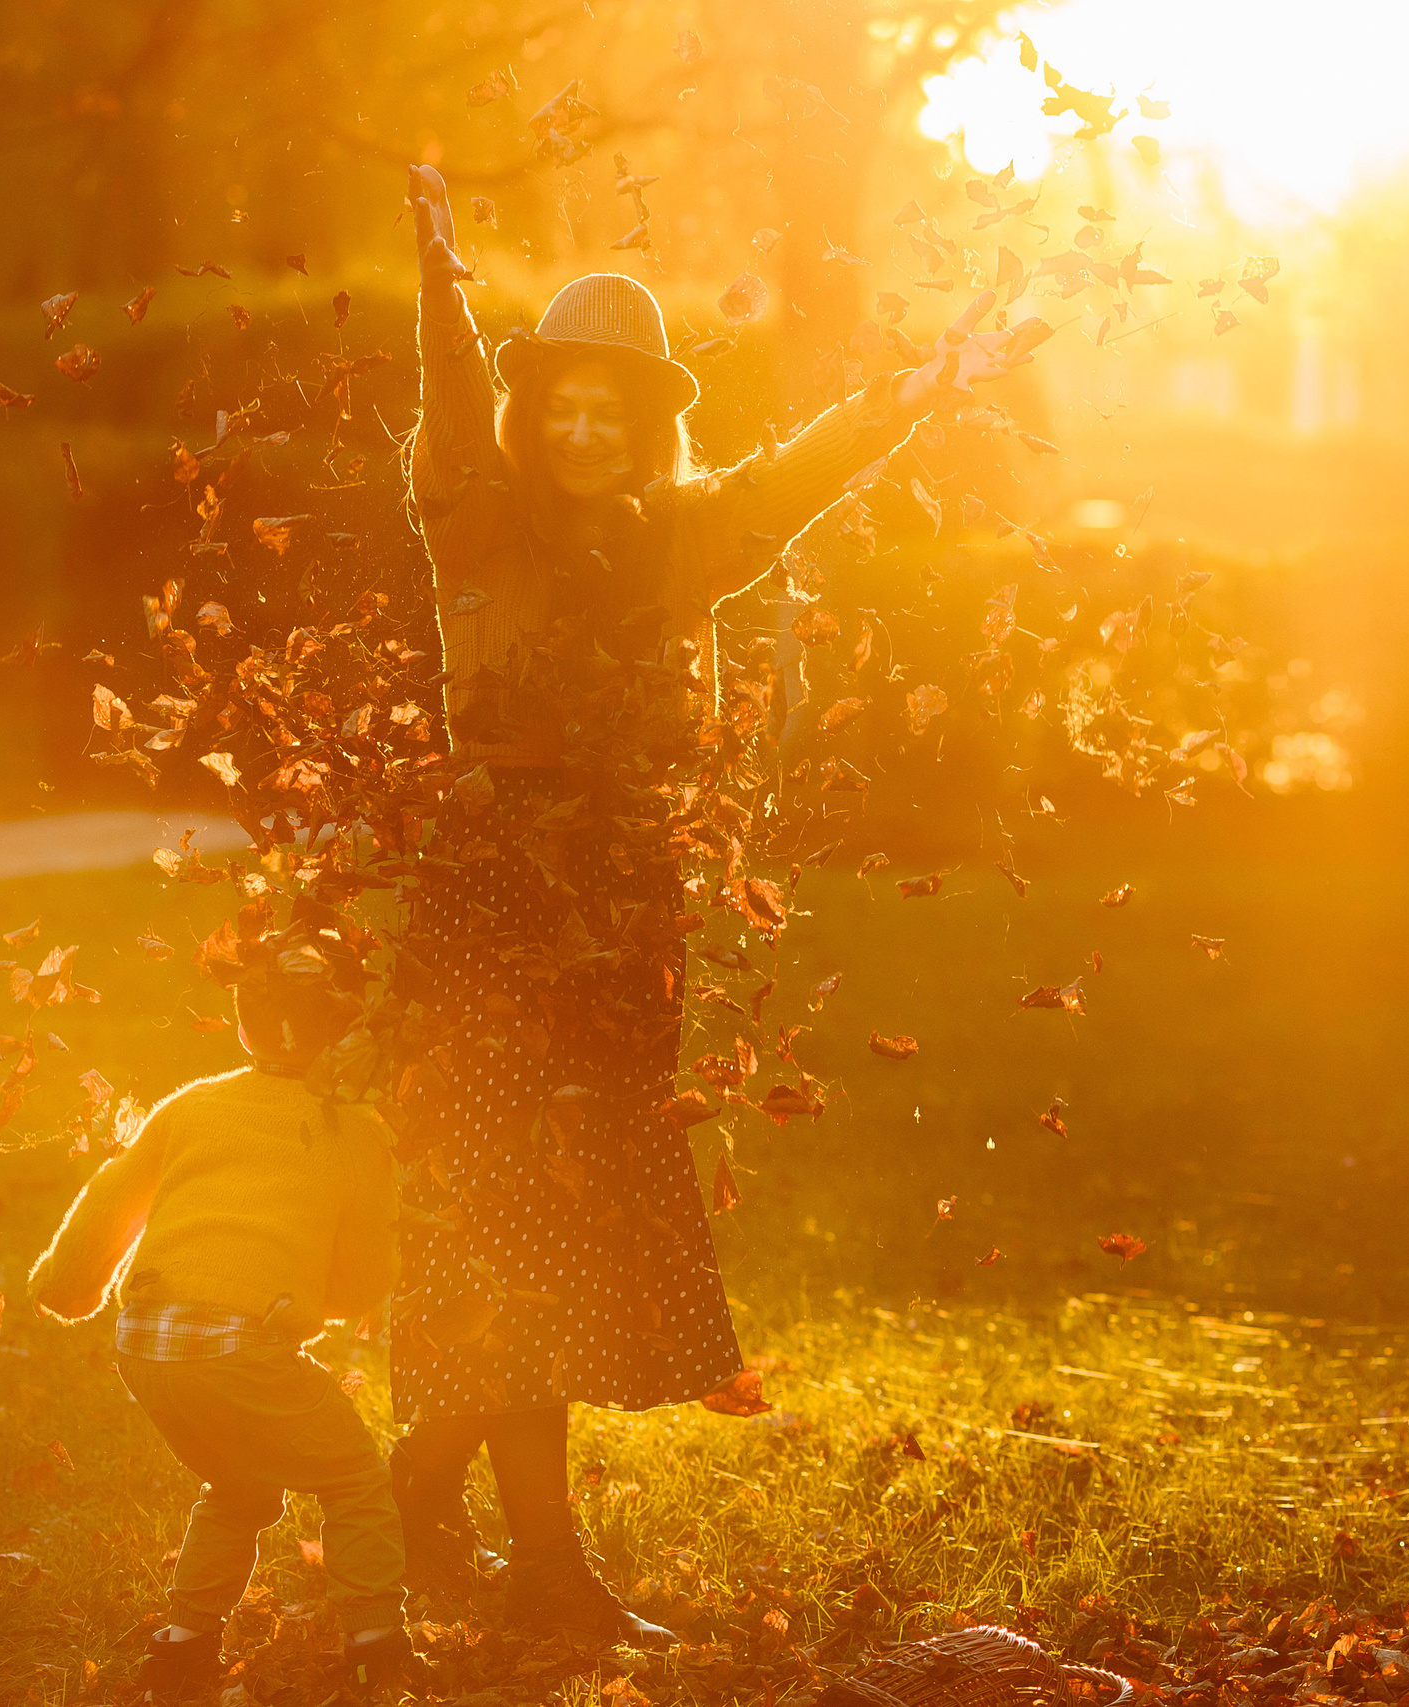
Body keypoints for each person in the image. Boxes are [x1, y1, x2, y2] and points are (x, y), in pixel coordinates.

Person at [387, 162, 1035, 1644]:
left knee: (564, 1231)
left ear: (653, 420)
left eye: (617, 402)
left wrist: (941, 376)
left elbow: (814, 466)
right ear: (530, 408)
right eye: (562, 397)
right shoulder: (473, 519)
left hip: (622, 910)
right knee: (500, 1228)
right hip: (488, 906)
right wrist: (436, 276)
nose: (587, 421)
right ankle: (486, 1538)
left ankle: (463, 1529)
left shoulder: (692, 537)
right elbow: (444, 394)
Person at [30, 939, 419, 1702]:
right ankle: (378, 1645)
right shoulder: (357, 1129)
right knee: (355, 1478)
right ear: (345, 1033)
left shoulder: (192, 1104)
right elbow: (367, 1273)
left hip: (146, 1338)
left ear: (243, 1029)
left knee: (238, 1482)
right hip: (243, 1342)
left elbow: (113, 1197)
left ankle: (183, 1645)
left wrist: (68, 1285)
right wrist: (327, 1299)